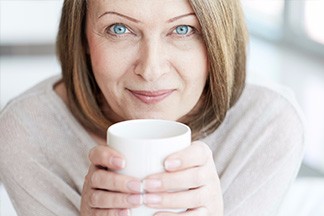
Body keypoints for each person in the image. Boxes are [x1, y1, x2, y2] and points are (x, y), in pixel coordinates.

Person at [0, 0, 305, 215]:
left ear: (217, 37)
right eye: (119, 29)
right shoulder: (29, 132)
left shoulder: (266, 125)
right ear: (81, 37)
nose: (151, 69)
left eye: (183, 30)